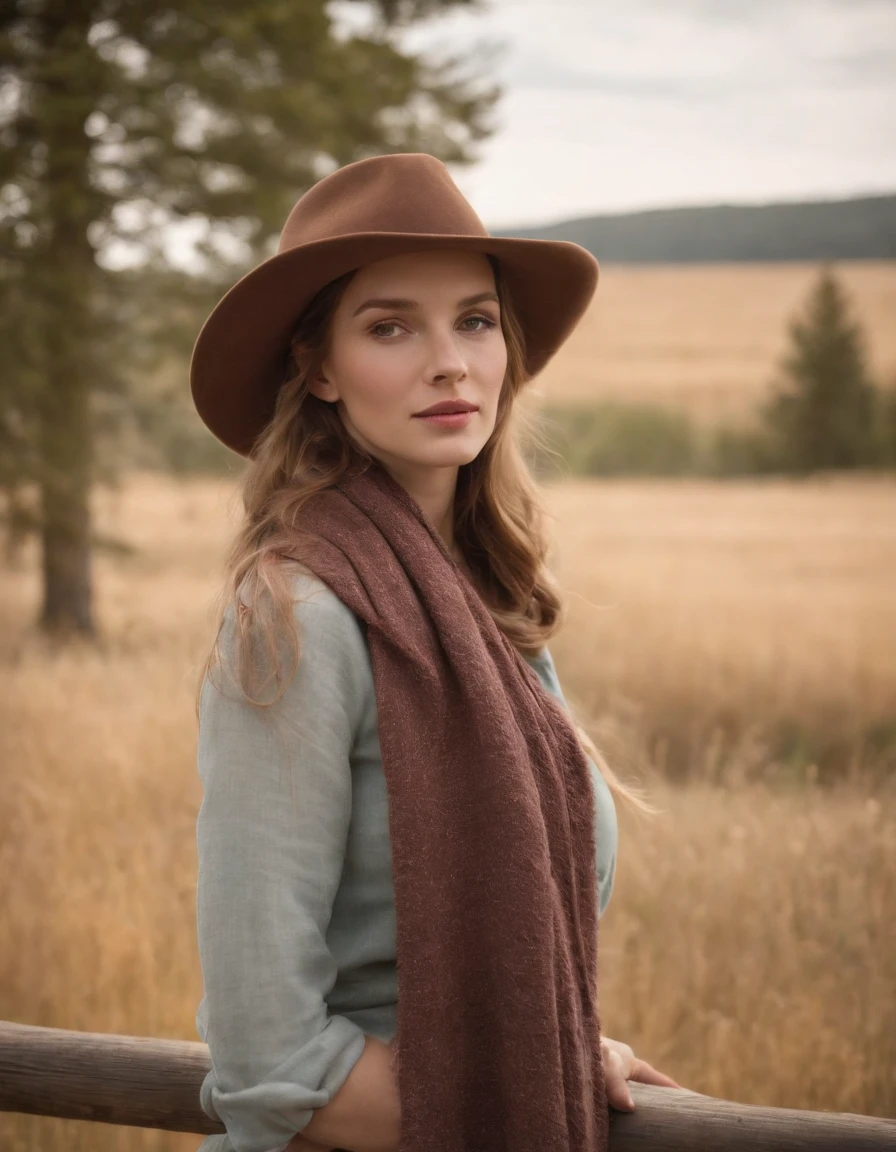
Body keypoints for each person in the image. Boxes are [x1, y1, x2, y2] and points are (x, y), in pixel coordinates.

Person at [190, 153, 680, 1152]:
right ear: (316, 367)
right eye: (388, 327)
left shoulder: (483, 608)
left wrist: (549, 1045)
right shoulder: (297, 611)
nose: (448, 362)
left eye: (473, 319)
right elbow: (269, 1050)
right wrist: (511, 1090)